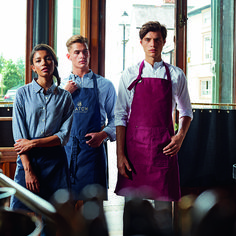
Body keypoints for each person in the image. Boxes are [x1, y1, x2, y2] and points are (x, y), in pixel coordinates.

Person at [114, 21, 193, 213]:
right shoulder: (130, 73)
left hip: (163, 149)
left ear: (164, 42)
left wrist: (180, 136)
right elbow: (120, 115)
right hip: (135, 152)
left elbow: (186, 112)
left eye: (157, 40)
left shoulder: (176, 74)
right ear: (141, 42)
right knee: (132, 209)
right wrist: (120, 155)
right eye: (148, 39)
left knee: (163, 211)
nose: (153, 44)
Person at [10, 44, 74, 235]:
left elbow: (63, 136)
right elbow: (20, 137)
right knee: (17, 214)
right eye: (38, 60)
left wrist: (34, 142)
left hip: (56, 163)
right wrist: (28, 170)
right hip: (27, 160)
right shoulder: (22, 94)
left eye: (48, 58)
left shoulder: (65, 98)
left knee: (53, 217)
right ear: (33, 67)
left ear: (54, 63)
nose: (44, 63)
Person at [62, 35, 117, 204]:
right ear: (69, 56)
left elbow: (117, 119)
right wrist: (65, 94)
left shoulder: (105, 85)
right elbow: (52, 121)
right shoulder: (61, 87)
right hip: (67, 152)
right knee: (66, 210)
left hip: (93, 152)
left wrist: (104, 134)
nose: (82, 56)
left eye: (85, 51)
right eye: (77, 52)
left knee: (93, 210)